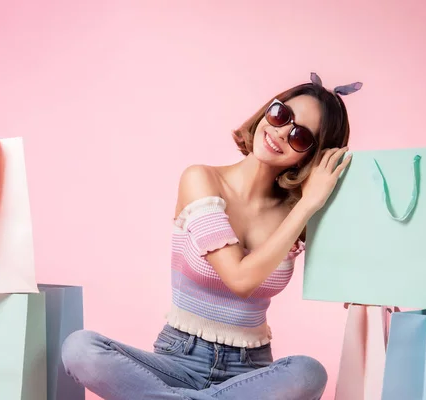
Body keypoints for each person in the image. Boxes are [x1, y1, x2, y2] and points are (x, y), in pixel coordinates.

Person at [61, 72, 362, 400]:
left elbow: (354, 269)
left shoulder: (300, 212)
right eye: (280, 115)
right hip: (177, 359)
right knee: (80, 349)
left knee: (308, 373)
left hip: (251, 372)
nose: (279, 133)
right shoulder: (201, 180)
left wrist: (364, 288)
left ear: (310, 157)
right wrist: (305, 208)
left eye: (300, 136)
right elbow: (240, 278)